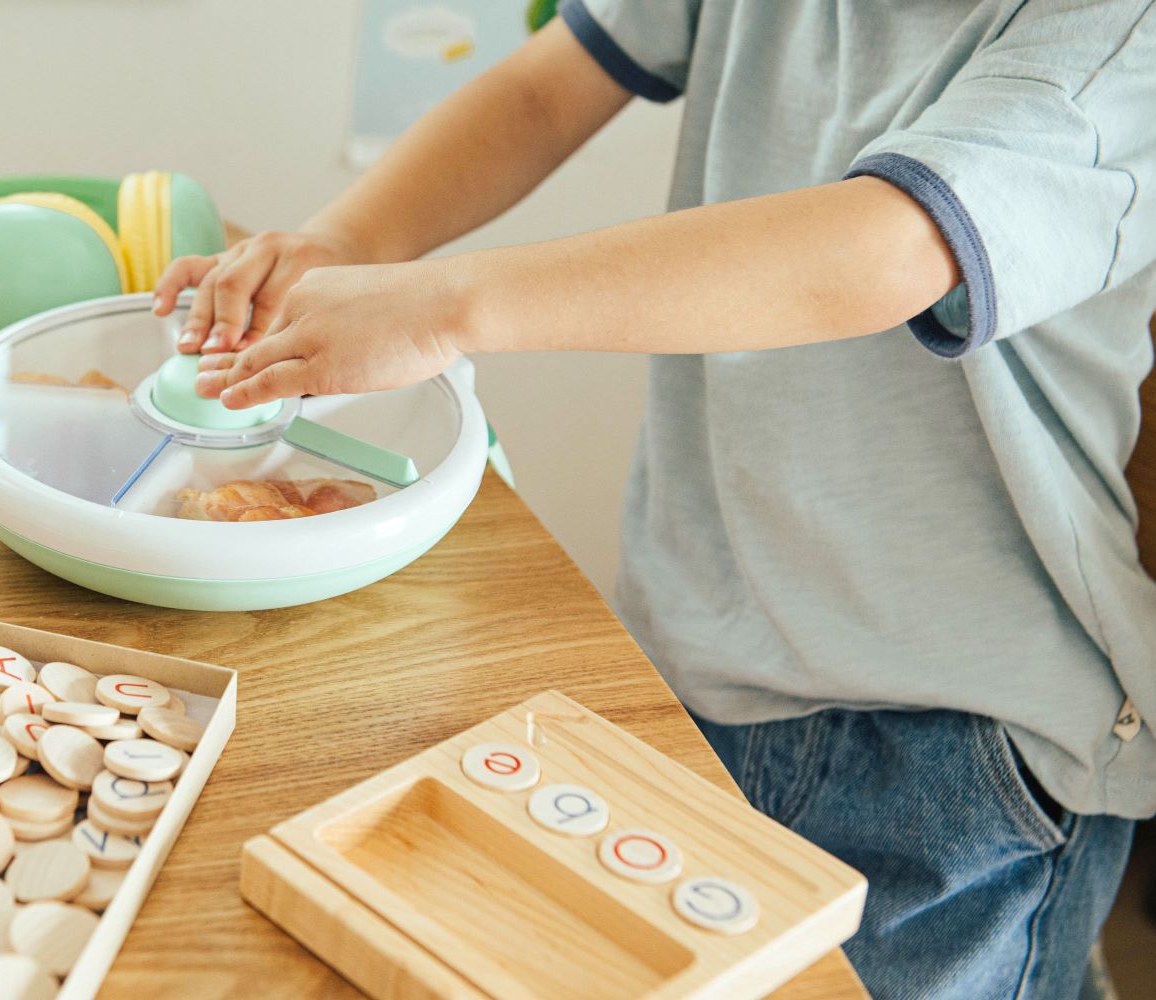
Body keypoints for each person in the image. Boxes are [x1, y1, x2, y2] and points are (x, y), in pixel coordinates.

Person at [152, 4, 1156, 997]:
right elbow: (543, 88)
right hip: (691, 663)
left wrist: (448, 304)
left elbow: (882, 249)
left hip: (960, 750)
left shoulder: (1117, 38)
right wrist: (346, 237)